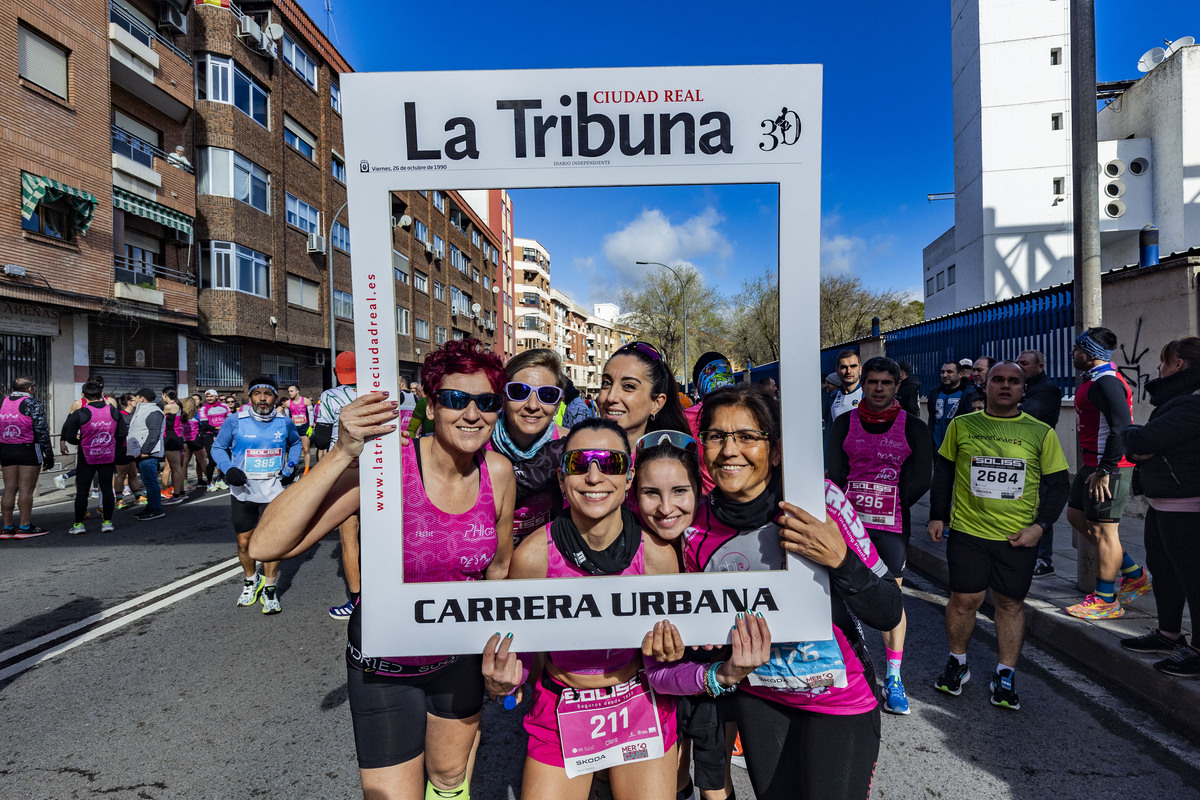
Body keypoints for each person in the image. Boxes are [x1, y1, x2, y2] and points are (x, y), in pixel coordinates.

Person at [249, 338, 515, 800]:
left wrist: (497, 656)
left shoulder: (498, 472)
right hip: (384, 666)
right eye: (456, 399)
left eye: (486, 401)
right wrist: (341, 453)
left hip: (459, 660)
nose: (472, 414)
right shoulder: (388, 467)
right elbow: (267, 544)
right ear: (431, 406)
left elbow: (499, 570)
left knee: (451, 781)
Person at [646, 384, 902, 800]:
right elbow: (699, 629)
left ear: (777, 451)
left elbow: (888, 610)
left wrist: (841, 560)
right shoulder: (693, 528)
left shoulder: (819, 502)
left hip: (838, 700)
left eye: (747, 437)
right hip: (761, 700)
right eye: (716, 436)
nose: (730, 450)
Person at [495, 418, 682, 800]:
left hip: (639, 701)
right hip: (562, 703)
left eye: (610, 463)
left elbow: (674, 650)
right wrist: (505, 683)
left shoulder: (658, 556)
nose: (594, 477)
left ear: (629, 478)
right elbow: (521, 649)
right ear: (562, 480)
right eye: (579, 464)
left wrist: (672, 654)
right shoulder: (532, 557)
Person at [928, 361, 1070, 710]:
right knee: (964, 601)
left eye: (1014, 381)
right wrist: (936, 516)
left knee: (1009, 604)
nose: (1005, 386)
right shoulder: (962, 425)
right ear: (985, 386)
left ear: (1024, 390)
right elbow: (943, 473)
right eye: (998, 380)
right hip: (968, 532)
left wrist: (1041, 527)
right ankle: (957, 664)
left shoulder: (1041, 433)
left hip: (1016, 538)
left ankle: (1005, 673)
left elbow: (1058, 485)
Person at [826, 356, 932, 715]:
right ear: (863, 383)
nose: (879, 389)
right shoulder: (843, 423)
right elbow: (835, 473)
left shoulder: (913, 427)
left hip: (891, 527)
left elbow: (922, 477)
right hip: (848, 523)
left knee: (891, 600)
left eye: (887, 383)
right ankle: (854, 662)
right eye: (872, 382)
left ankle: (895, 676)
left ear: (897, 386)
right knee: (843, 594)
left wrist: (897, 500)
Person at [632, 430, 735, 800]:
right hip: (654, 683)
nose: (665, 508)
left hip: (715, 678)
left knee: (715, 781)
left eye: (679, 491)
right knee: (673, 775)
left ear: (699, 490)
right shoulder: (629, 547)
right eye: (651, 493)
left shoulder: (719, 536)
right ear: (634, 494)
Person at [1120, 337, 1200, 677]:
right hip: (1163, 500)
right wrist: (1141, 440)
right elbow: (1148, 441)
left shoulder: (1191, 403)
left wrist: (1133, 434)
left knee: (1193, 578)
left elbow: (1143, 440)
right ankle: (1168, 635)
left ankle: (1196, 652)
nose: (1158, 368)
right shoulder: (1178, 400)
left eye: (1164, 362)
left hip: (1187, 504)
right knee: (1164, 571)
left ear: (1179, 364)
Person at [1065, 327, 1152, 620]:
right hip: (1092, 465)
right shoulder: (1095, 379)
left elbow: (1120, 428)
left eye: (1077, 349)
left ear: (1090, 354)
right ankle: (1133, 573)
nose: (1072, 353)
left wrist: (1106, 469)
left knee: (1105, 532)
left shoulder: (1107, 383)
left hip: (1108, 468)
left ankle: (1106, 600)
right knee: (1076, 516)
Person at [212, 376, 302, 615]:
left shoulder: (284, 421)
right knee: (244, 542)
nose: (262, 398)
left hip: (274, 489)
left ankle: (270, 588)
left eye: (268, 393)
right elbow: (217, 447)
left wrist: (291, 466)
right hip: (244, 490)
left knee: (272, 542)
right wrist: (228, 468)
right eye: (257, 394)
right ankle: (252, 580)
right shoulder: (235, 420)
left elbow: (295, 443)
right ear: (250, 397)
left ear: (275, 397)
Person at [490, 349, 570, 547]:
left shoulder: (570, 443)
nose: (533, 405)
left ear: (558, 404)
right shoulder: (478, 440)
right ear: (504, 396)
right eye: (519, 391)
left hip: (544, 558)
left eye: (547, 394)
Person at [312, 351, 362, 620]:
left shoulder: (331, 397)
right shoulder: (376, 392)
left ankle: (356, 602)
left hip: (346, 470)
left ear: (336, 371)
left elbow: (320, 438)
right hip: (379, 472)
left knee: (349, 540)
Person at [1016, 349, 1064, 578]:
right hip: (1017, 456)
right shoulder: (1021, 387)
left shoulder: (1047, 389)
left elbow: (1026, 413)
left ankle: (1044, 559)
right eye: (1017, 363)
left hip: (1039, 457)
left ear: (1040, 366)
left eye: (1024, 363)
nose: (1019, 367)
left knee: (1041, 507)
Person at [597, 341, 690, 449]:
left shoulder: (673, 463)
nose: (611, 397)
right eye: (606, 383)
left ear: (656, 403)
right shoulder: (578, 454)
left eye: (629, 386)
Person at [60, 381, 123, 535]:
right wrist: (110, 442)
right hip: (108, 455)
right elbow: (122, 433)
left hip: (86, 456)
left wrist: (81, 442)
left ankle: (78, 524)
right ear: (101, 394)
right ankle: (107, 522)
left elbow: (69, 435)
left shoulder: (80, 413)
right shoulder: (114, 411)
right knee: (107, 489)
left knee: (82, 491)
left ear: (84, 396)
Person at [0, 377, 54, 538]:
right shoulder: (32, 403)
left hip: (6, 448)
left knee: (9, 488)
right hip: (28, 448)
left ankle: (7, 528)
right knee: (26, 489)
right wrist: (48, 455)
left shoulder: (2, 402)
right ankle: (25, 527)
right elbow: (41, 430)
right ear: (30, 389)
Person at [684, 351, 737, 494]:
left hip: (704, 502)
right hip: (744, 500)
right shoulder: (750, 412)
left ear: (698, 385)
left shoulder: (685, 418)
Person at [126, 388, 167, 522]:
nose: (134, 401)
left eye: (135, 398)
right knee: (147, 480)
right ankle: (150, 507)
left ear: (142, 398)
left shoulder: (153, 411)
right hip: (141, 453)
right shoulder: (143, 410)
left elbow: (154, 433)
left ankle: (156, 509)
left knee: (150, 481)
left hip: (148, 454)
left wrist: (145, 451)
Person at [926, 360, 974, 452]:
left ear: (960, 374)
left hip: (959, 451)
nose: (944, 375)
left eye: (949, 372)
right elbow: (931, 420)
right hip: (937, 451)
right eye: (942, 372)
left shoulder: (969, 394)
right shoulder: (935, 393)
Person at [113, 393, 143, 510]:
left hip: (133, 448)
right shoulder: (120, 415)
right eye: (135, 399)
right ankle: (119, 499)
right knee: (121, 474)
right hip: (122, 448)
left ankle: (138, 496)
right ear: (129, 402)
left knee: (133, 473)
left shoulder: (136, 414)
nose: (137, 400)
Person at [199, 390, 231, 490]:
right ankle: (209, 482)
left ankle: (219, 480)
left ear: (216, 396)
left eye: (211, 396)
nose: (209, 398)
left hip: (224, 436)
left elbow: (230, 420)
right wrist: (218, 428)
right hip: (210, 436)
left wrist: (224, 429)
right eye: (207, 396)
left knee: (226, 458)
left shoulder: (224, 406)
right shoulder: (203, 409)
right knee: (212, 460)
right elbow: (205, 425)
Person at [160, 388, 188, 504]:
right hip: (177, 437)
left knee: (175, 468)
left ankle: (176, 496)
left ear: (164, 395)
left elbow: (158, 418)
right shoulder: (178, 405)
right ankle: (181, 492)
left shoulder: (168, 407)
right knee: (178, 467)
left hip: (171, 437)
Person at [823, 349, 862, 427]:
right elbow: (830, 429)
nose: (849, 371)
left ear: (860, 370)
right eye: (844, 367)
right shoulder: (833, 396)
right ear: (837, 371)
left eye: (853, 366)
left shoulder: (868, 395)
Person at [179, 396, 208, 491]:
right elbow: (203, 426)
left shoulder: (180, 415)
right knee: (203, 461)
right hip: (195, 440)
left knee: (184, 464)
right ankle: (210, 481)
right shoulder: (197, 414)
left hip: (184, 441)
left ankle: (185, 484)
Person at [285, 384, 314, 474]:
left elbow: (311, 414)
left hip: (304, 427)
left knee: (306, 449)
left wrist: (310, 426)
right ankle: (288, 467)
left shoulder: (306, 401)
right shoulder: (287, 403)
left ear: (297, 391)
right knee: (289, 449)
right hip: (293, 428)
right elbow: (287, 418)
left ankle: (306, 469)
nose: (290, 393)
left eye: (291, 391)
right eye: (289, 391)